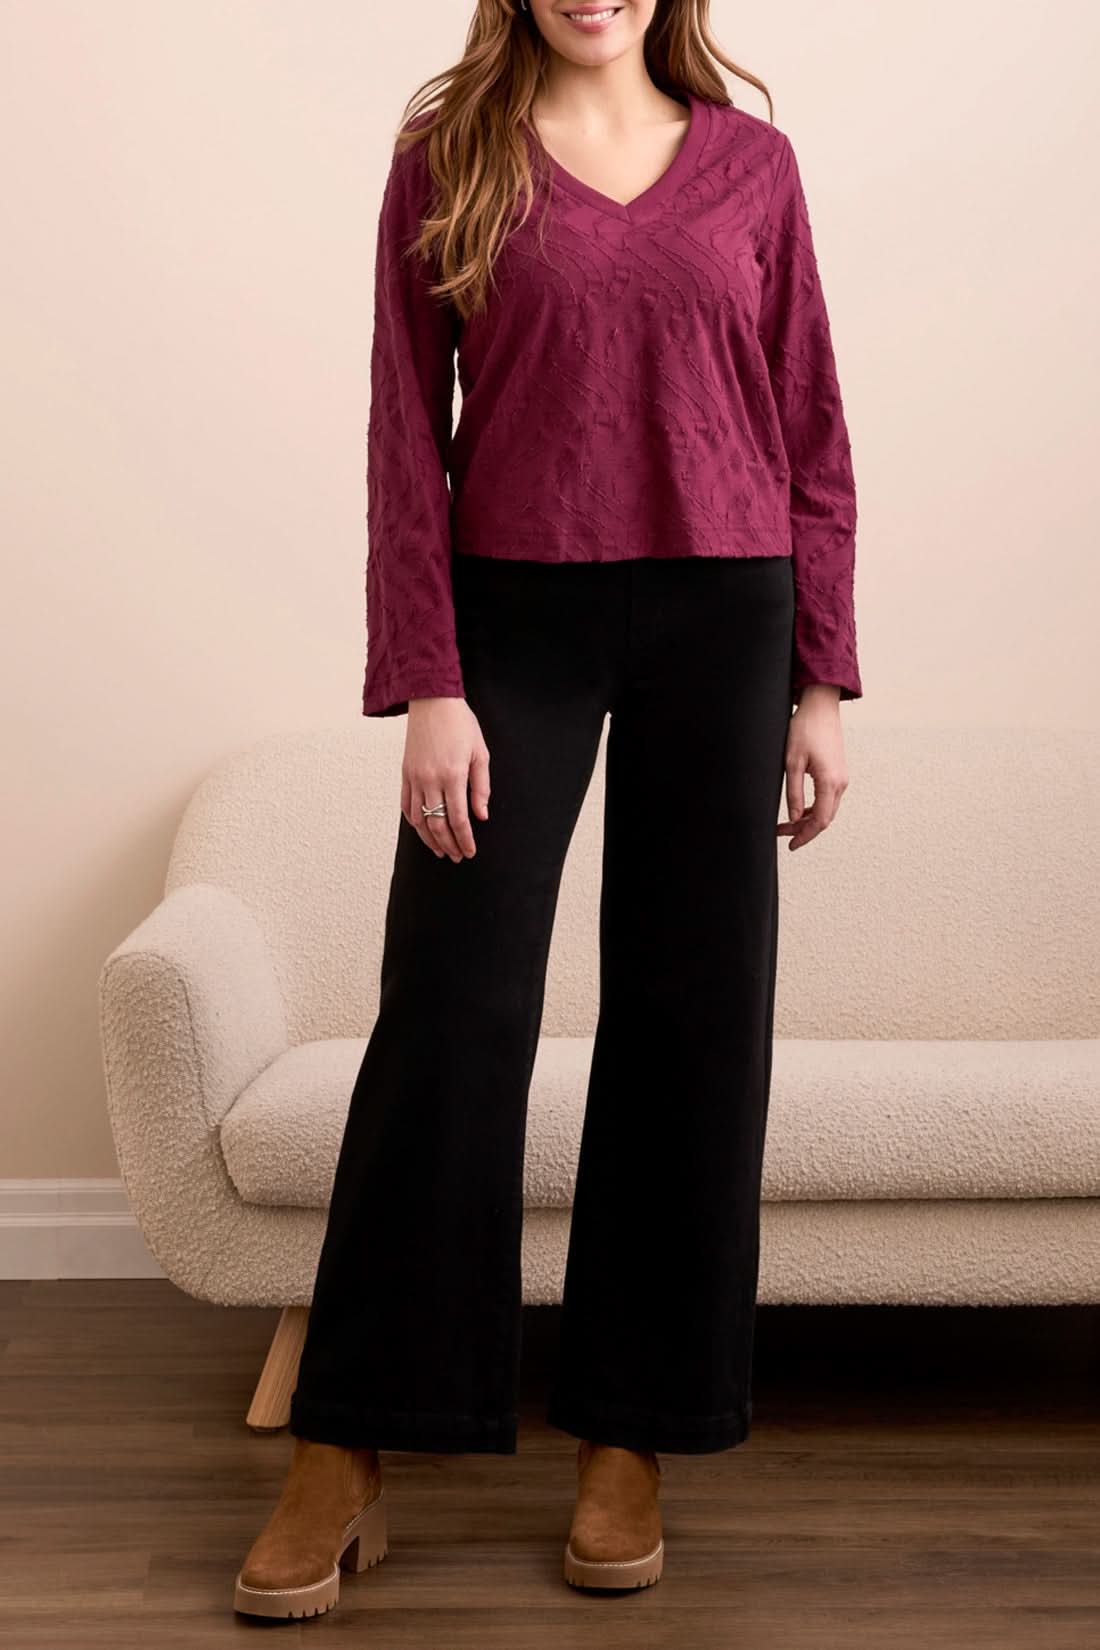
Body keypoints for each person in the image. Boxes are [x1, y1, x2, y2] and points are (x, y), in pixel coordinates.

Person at [234, 0, 862, 1620]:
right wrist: (425, 679)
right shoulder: (448, 159)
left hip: (729, 607)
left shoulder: (756, 167)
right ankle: (353, 1437)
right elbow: (404, 429)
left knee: (692, 1014)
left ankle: (630, 1433)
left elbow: (809, 427)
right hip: (511, 611)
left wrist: (822, 679)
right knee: (451, 1001)